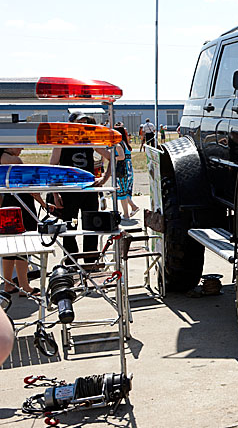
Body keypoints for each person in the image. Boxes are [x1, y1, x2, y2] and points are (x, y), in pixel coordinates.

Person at [50, 113, 112, 264]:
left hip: (89, 190)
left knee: (92, 225)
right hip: (69, 190)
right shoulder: (62, 142)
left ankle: (90, 261)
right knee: (69, 227)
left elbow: (114, 158)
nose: (82, 126)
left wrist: (104, 178)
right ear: (70, 124)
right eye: (79, 123)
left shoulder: (89, 140)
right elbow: (52, 167)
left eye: (85, 123)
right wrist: (55, 193)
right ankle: (71, 261)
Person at [0, 148, 53, 297]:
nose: (22, 149)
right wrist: (44, 204)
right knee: (23, 246)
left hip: (6, 205)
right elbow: (29, 187)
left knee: (9, 246)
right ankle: (24, 286)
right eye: (19, 145)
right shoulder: (15, 161)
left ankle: (8, 283)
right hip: (22, 206)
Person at [113, 125, 139, 220]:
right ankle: (133, 207)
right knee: (123, 191)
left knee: (121, 192)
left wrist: (112, 158)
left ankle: (126, 214)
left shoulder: (118, 144)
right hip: (128, 170)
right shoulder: (125, 143)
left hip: (121, 171)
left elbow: (122, 156)